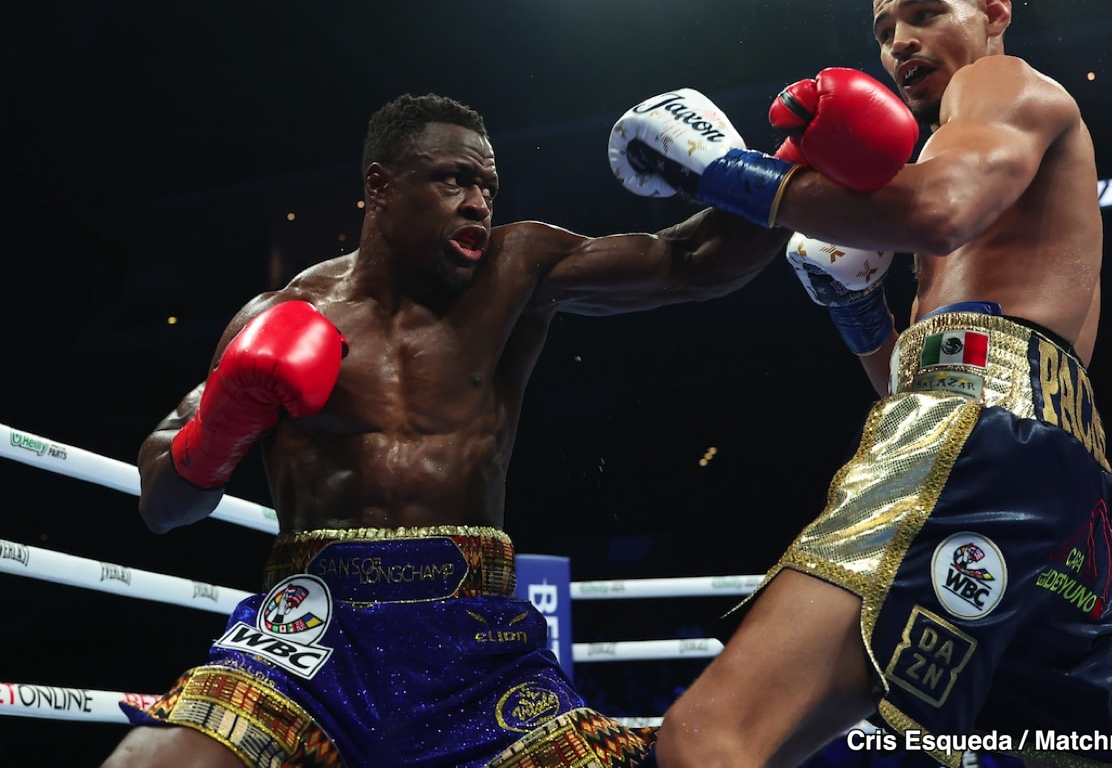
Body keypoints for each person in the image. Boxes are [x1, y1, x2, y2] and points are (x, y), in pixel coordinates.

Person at [99, 91, 791, 768]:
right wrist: (226, 416)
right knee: (152, 759)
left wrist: (794, 163)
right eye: (454, 178)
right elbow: (162, 504)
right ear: (380, 186)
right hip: (307, 634)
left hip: (477, 645)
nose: (479, 202)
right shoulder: (281, 313)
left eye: (488, 184)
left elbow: (696, 261)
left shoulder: (517, 269)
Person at [607, 0, 1112, 768]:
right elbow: (923, 380)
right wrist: (859, 311)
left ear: (995, 11)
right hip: (1068, 487)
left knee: (707, 738)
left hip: (980, 440)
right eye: (885, 26)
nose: (900, 39)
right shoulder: (961, 153)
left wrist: (720, 171)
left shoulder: (1001, 85)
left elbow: (936, 214)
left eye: (926, 12)